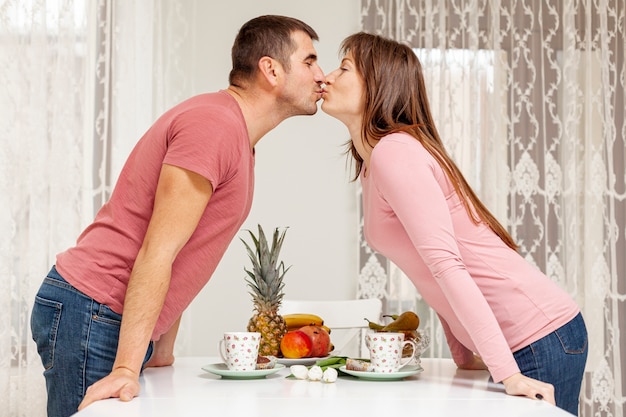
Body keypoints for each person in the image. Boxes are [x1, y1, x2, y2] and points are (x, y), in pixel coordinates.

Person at [30, 15, 325, 417]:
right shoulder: (215, 126)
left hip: (106, 315)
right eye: (309, 61)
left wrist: (161, 348)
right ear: (271, 69)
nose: (321, 75)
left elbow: (184, 249)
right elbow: (158, 250)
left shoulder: (231, 130)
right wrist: (124, 367)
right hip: (94, 310)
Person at [321, 32, 587, 416]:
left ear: (377, 84)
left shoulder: (395, 153)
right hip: (522, 343)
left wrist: (507, 373)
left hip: (538, 336)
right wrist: (463, 352)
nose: (327, 77)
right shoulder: (375, 163)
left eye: (343, 68)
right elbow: (425, 268)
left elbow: (446, 264)